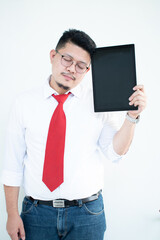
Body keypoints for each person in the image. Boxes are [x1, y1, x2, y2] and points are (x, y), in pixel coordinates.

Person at [1, 29, 146, 240]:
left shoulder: (100, 100)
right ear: (53, 56)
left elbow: (115, 152)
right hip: (36, 214)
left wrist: (132, 117)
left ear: (87, 71)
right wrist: (11, 214)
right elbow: (12, 165)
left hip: (87, 214)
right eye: (67, 59)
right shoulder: (23, 103)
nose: (71, 69)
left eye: (81, 65)